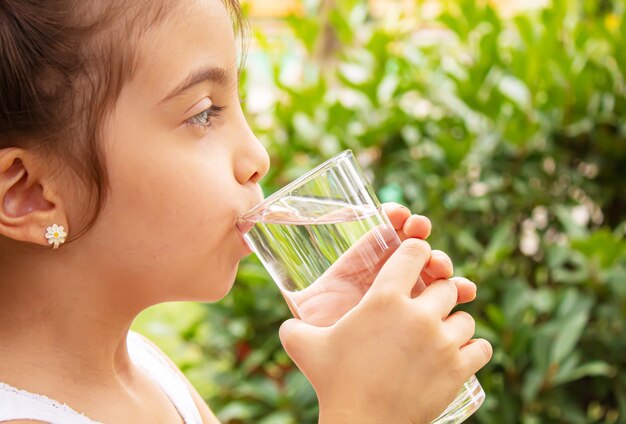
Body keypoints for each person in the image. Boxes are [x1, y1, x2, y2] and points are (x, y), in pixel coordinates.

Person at [0, 0, 492, 422]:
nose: (258, 157)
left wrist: (356, 369)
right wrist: (365, 410)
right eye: (202, 113)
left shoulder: (147, 372)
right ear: (31, 195)